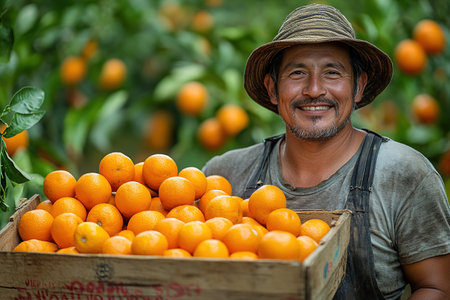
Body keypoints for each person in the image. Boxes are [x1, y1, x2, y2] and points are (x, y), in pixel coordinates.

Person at [202, 4, 450, 300]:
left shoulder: (404, 174)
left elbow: (438, 288)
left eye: (332, 72)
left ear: (359, 87)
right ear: (272, 88)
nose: (314, 89)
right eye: (297, 73)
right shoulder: (225, 176)